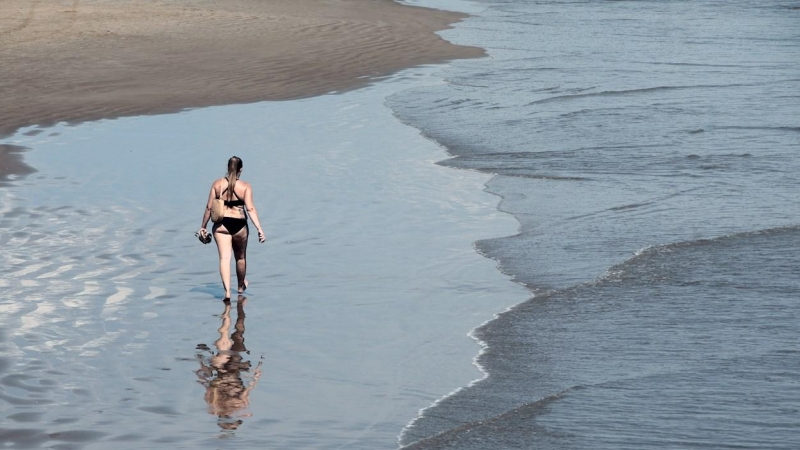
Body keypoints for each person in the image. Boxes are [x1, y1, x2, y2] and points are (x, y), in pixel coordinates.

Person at [199, 156, 265, 300]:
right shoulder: (245, 186)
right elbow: (251, 209)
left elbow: (209, 207)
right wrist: (259, 229)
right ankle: (240, 287)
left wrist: (203, 227)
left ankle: (227, 292)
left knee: (224, 258)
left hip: (221, 225)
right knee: (240, 257)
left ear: (228, 168)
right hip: (239, 224)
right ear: (241, 169)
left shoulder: (217, 184)